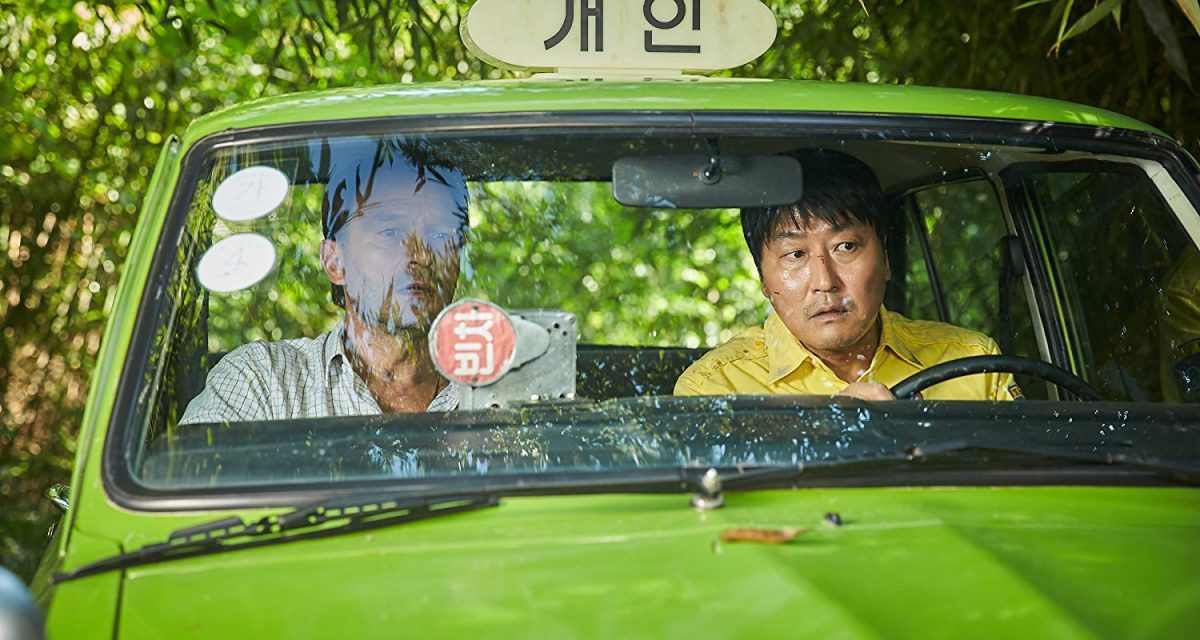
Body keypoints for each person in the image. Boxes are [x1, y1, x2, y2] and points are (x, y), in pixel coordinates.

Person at [675, 149, 1020, 401]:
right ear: (763, 279)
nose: (825, 282)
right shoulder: (714, 389)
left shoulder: (974, 367)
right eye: (795, 254)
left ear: (885, 258)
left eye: (846, 247)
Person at [181, 141, 469, 423]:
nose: (423, 255)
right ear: (334, 262)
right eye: (390, 232)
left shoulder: (490, 386)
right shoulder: (261, 382)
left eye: (441, 235)